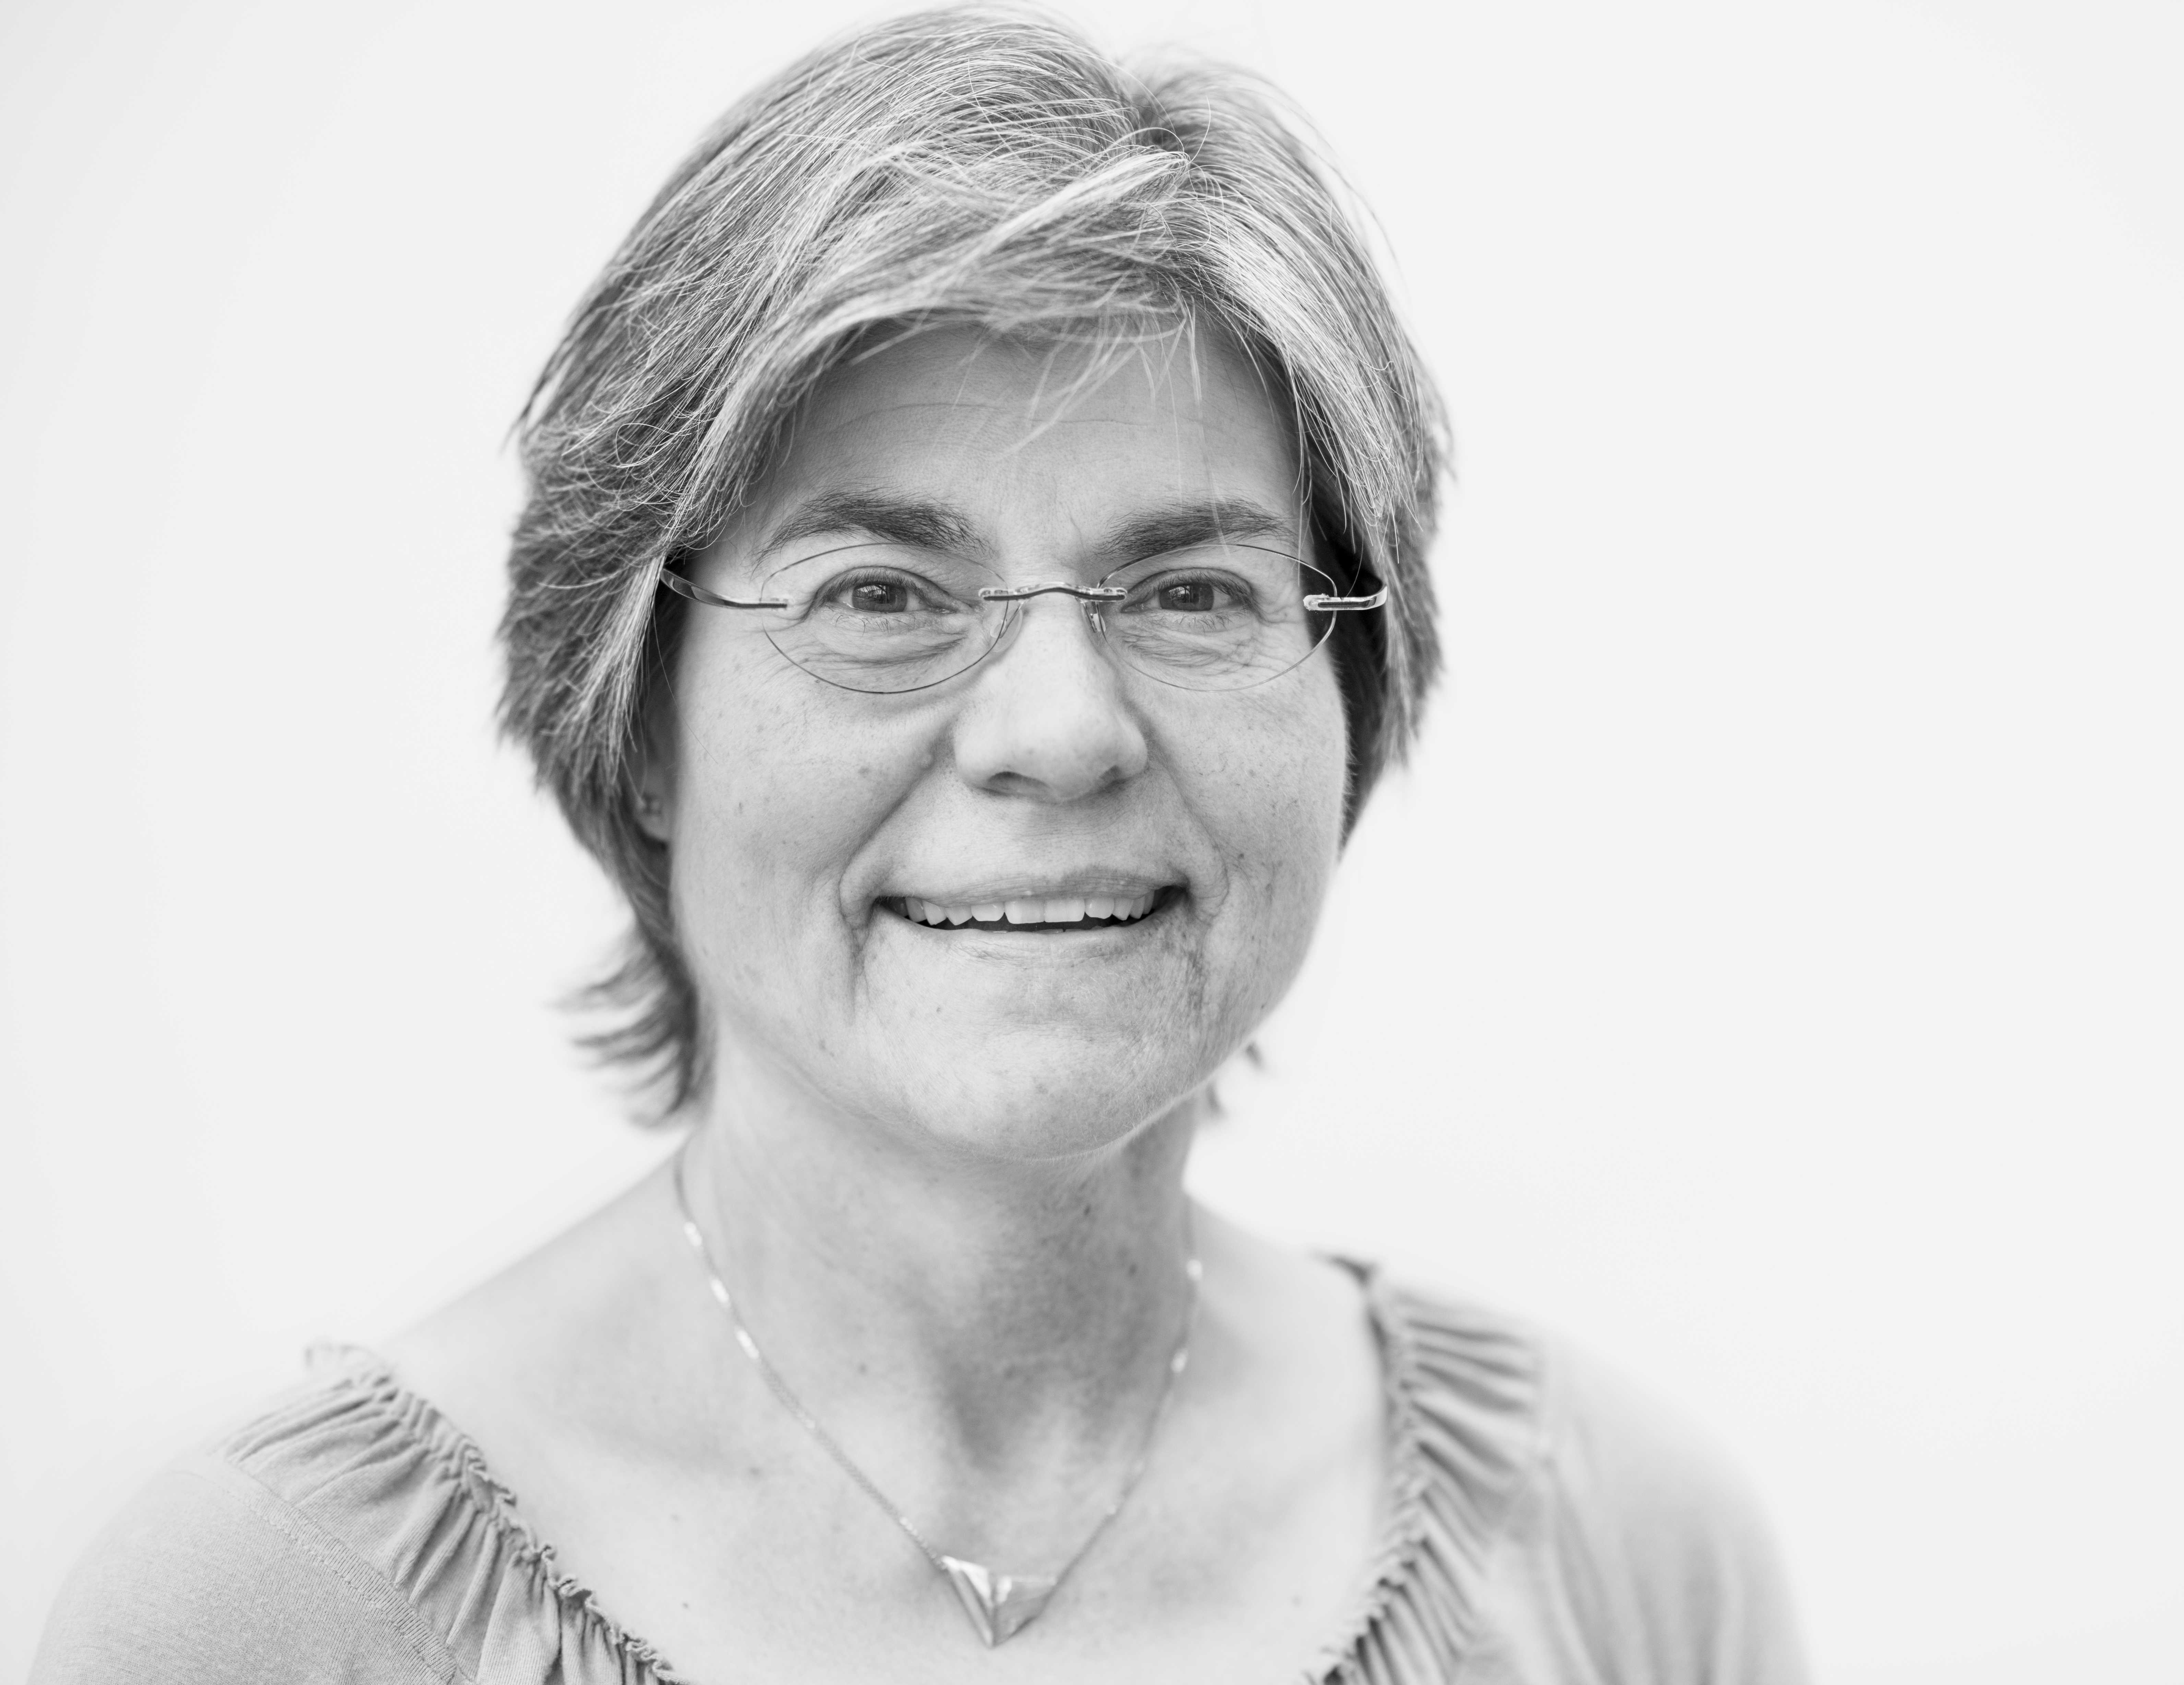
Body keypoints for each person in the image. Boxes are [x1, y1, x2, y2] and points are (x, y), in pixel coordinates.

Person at [33, 10, 1805, 1682]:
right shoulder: (271, 1614)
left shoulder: (1622, 1551)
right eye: (880, 595)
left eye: (1195, 591)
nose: (1060, 731)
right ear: (636, 725)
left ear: (1354, 689)